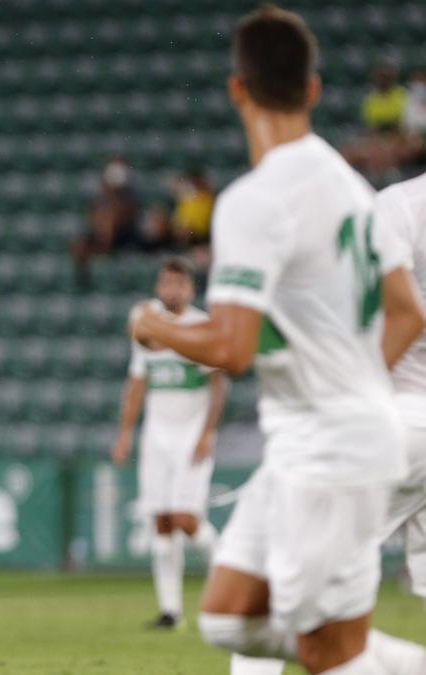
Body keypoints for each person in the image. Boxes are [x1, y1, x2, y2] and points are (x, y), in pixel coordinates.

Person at [132, 7, 426, 674]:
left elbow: (233, 349)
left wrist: (157, 326)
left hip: (333, 441)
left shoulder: (254, 199)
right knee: (231, 614)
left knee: (324, 648)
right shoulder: (350, 187)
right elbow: (407, 312)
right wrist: (352, 380)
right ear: (314, 90)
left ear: (237, 89)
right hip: (331, 429)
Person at [112, 256, 226, 630]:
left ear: (190, 289)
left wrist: (208, 432)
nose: (171, 289)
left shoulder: (201, 326)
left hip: (190, 435)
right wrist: (126, 433)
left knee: (186, 519)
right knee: (161, 523)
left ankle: (231, 577)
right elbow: (137, 383)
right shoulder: (148, 325)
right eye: (165, 283)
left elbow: (218, 383)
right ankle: (170, 611)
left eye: (178, 283)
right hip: (157, 436)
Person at [69, 155, 144, 286]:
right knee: (78, 245)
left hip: (125, 234)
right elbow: (91, 214)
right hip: (101, 233)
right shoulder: (99, 192)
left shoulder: (132, 192)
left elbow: (127, 215)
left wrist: (111, 196)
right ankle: (83, 284)